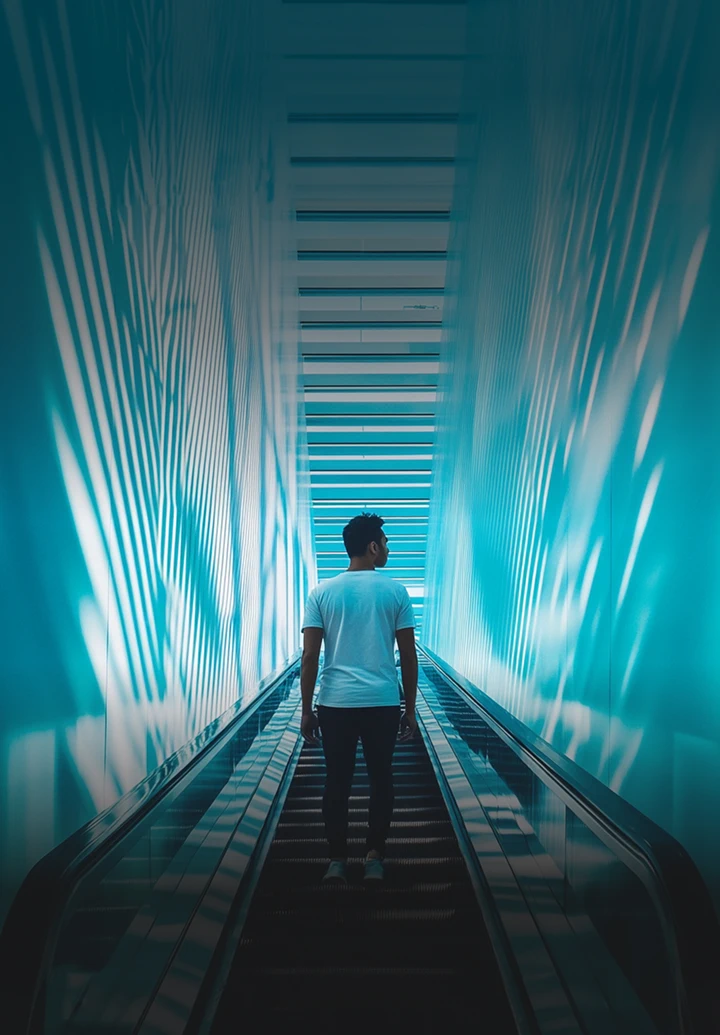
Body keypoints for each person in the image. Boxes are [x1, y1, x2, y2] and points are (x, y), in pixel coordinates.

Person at [300, 512, 418, 885]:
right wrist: (410, 710)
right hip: (382, 703)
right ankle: (374, 858)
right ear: (372, 547)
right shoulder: (396, 592)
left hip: (335, 704)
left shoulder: (321, 593)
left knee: (337, 781)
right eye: (384, 542)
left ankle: (336, 860)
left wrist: (307, 710)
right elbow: (409, 656)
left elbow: (310, 657)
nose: (388, 548)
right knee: (381, 780)